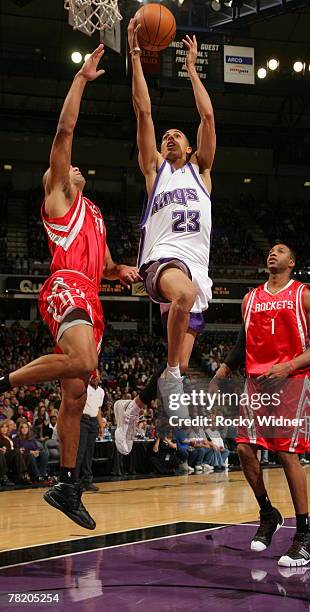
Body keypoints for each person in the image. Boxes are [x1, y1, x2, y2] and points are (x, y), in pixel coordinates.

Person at [0, 46, 138, 529]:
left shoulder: (96, 213)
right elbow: (64, 131)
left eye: (78, 170)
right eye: (69, 168)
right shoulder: (60, 195)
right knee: (84, 362)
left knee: (75, 397)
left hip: (92, 295)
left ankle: (66, 484)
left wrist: (119, 270)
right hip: (65, 286)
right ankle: (5, 383)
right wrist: (80, 79)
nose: (76, 169)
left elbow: (102, 264)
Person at [114, 20, 216, 454]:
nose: (171, 136)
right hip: (162, 263)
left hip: (196, 274)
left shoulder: (203, 173)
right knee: (182, 298)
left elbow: (208, 116)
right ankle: (172, 380)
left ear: (191, 148)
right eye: (167, 135)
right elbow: (144, 111)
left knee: (179, 355)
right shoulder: (155, 173)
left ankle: (134, 406)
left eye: (178, 135)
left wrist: (193, 69)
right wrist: (136, 56)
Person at [212, 243, 310, 567]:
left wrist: (289, 366)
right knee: (244, 450)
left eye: (281, 250)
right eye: (270, 250)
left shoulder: (302, 294)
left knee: (287, 454)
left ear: (292, 261)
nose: (273, 253)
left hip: (291, 381)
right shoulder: (249, 299)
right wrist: (223, 370)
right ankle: (268, 513)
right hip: (256, 383)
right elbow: (243, 342)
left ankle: (305, 535)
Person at [76, 370, 105, 492]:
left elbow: (98, 409)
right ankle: (74, 481)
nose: (95, 379)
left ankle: (87, 481)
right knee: (80, 451)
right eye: (93, 377)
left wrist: (101, 426)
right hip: (83, 420)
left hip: (93, 422)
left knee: (89, 452)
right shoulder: (84, 389)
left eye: (96, 377)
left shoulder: (101, 391)